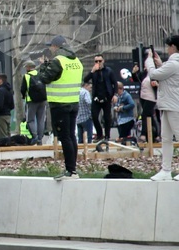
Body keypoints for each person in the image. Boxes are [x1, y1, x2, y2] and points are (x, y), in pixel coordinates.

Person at [34, 35, 83, 180]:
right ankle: (73, 169)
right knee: (71, 136)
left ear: (57, 47)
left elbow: (44, 78)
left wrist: (43, 65)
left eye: (52, 46)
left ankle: (70, 171)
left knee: (65, 137)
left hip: (60, 104)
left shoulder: (58, 61)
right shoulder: (77, 61)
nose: (51, 49)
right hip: (73, 103)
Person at [148, 35, 179, 181]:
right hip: (169, 105)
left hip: (174, 106)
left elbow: (154, 75)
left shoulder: (174, 63)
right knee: (166, 138)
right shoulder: (172, 64)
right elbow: (167, 75)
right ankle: (166, 170)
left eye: (168, 46)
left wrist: (149, 61)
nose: (167, 49)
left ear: (173, 47)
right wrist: (160, 64)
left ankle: (166, 169)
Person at [84, 53, 116, 143]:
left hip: (106, 98)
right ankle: (99, 134)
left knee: (107, 118)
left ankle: (107, 136)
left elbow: (115, 83)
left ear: (103, 61)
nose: (98, 63)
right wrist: (92, 71)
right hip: (96, 98)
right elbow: (85, 80)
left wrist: (115, 94)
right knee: (94, 116)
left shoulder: (108, 71)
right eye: (96, 61)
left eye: (100, 61)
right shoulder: (94, 72)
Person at [20, 60, 48, 145]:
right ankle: (40, 139)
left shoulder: (26, 76)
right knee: (41, 120)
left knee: (30, 120)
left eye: (26, 67)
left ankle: (35, 137)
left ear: (28, 67)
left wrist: (23, 96)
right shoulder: (40, 75)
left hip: (31, 101)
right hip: (43, 100)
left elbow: (23, 89)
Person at [0, 74, 14, 140]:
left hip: (1, 115)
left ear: (1, 80)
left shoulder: (1, 91)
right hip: (8, 115)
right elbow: (12, 105)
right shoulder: (10, 90)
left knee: (3, 136)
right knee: (8, 134)